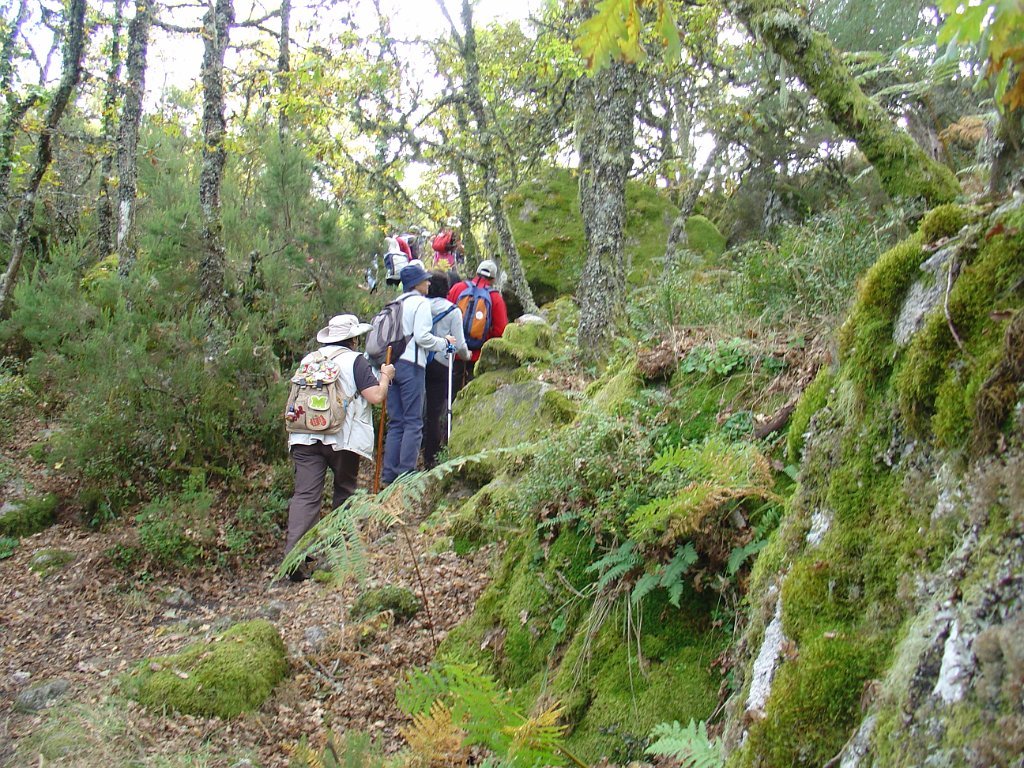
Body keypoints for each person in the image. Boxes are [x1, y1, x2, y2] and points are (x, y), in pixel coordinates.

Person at [283, 314, 396, 581]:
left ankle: (294, 561)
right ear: (353, 339)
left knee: (305, 497)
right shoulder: (355, 361)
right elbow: (376, 397)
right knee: (344, 492)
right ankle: (340, 554)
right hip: (342, 437)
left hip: (304, 436)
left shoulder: (309, 360)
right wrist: (385, 377)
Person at [381, 264, 456, 485]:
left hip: (391, 365)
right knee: (413, 421)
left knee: (396, 422)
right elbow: (423, 337)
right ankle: (406, 475)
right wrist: (444, 343)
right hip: (412, 365)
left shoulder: (396, 303)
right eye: (425, 280)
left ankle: (389, 474)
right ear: (416, 284)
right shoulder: (421, 303)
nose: (428, 283)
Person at [422, 271, 471, 468]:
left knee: (416, 408)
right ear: (447, 290)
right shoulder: (453, 311)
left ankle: (416, 446)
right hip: (441, 363)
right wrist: (467, 356)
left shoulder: (421, 306)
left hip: (418, 361)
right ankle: (430, 457)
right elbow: (459, 344)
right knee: (435, 411)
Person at [447, 259, 508, 396]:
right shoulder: (495, 297)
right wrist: (483, 337)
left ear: (476, 272)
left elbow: (446, 315)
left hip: (454, 351)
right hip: (477, 355)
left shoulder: (458, 288)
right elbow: (500, 330)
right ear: (493, 279)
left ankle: (449, 408)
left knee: (451, 390)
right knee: (471, 392)